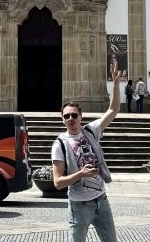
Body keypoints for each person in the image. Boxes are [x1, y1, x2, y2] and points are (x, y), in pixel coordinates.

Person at [51, 58, 122, 242]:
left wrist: (115, 84)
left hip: (101, 200)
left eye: (74, 115)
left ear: (81, 116)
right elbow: (58, 182)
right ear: (62, 120)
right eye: (67, 116)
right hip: (79, 205)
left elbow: (113, 110)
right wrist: (81, 174)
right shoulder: (59, 144)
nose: (71, 118)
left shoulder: (91, 131)